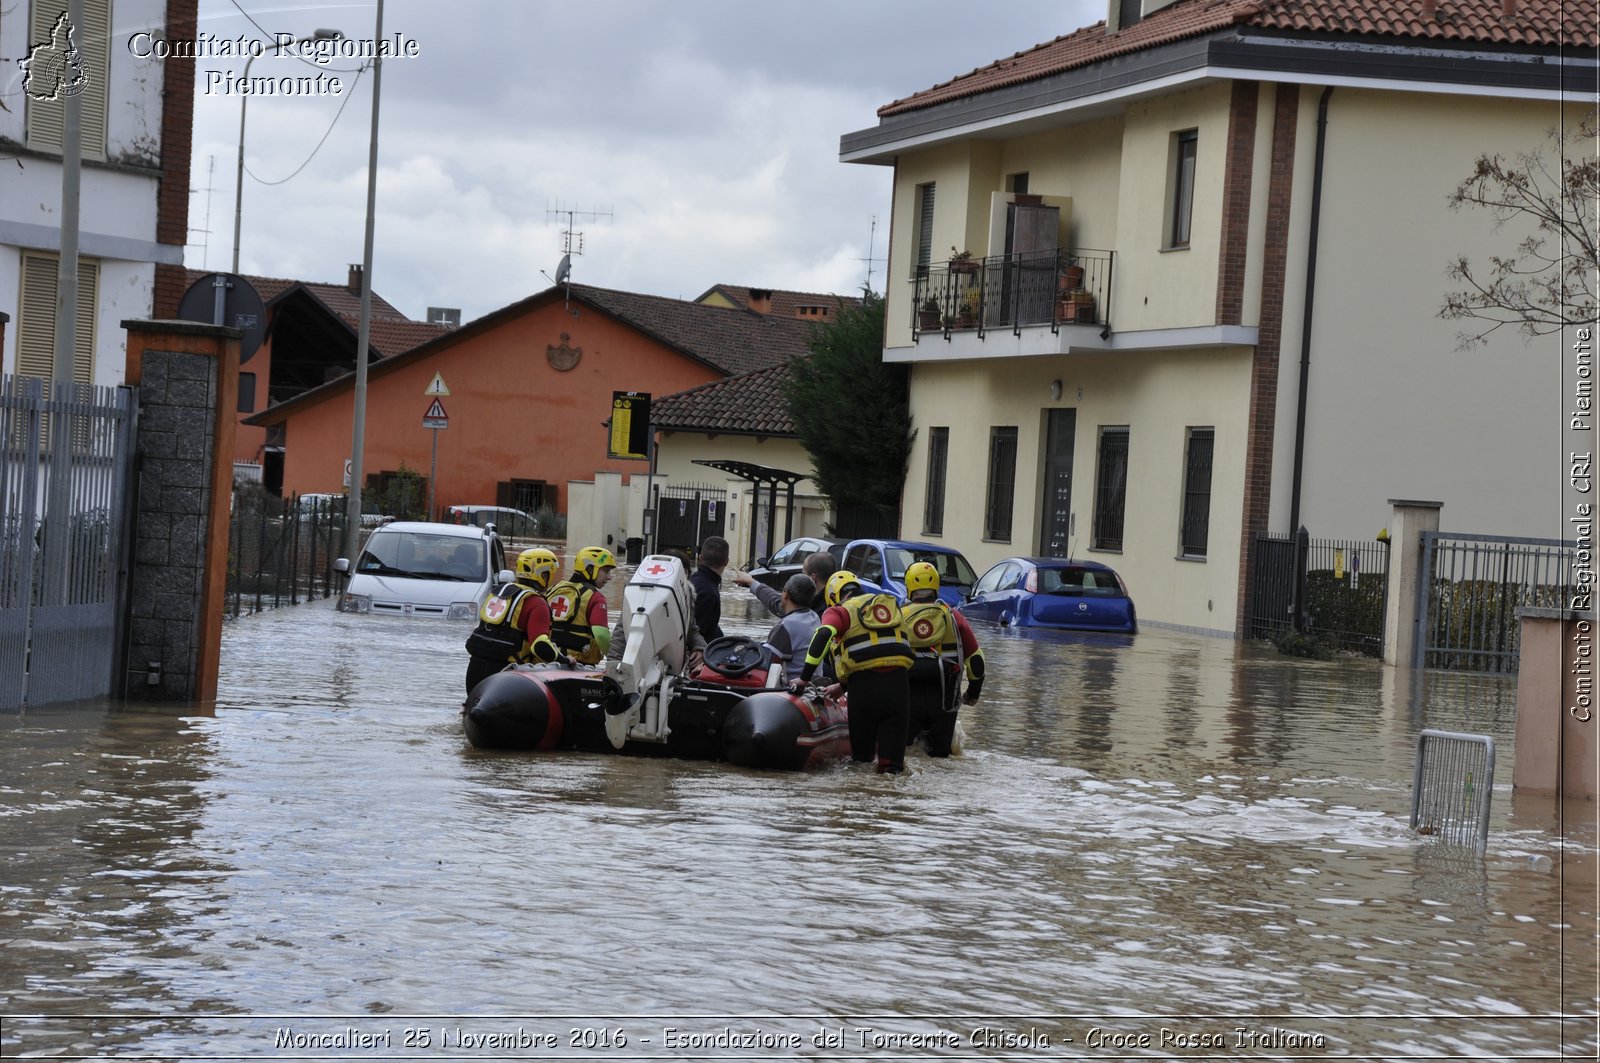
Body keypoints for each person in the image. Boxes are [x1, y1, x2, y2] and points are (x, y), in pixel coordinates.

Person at [789, 569, 914, 774]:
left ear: (833, 596)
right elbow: (882, 651)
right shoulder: (888, 606)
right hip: (899, 686)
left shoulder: (840, 610)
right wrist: (843, 686)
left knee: (861, 764)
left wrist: (804, 678)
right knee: (892, 768)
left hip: (864, 688)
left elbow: (823, 635)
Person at [901, 560, 985, 757]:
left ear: (909, 587)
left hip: (907, 701)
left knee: (904, 757)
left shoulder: (897, 616)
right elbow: (977, 661)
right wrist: (973, 693)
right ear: (936, 587)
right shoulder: (954, 617)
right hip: (945, 702)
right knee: (941, 760)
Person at [462, 547, 559, 695]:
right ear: (543, 573)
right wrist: (563, 659)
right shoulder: (537, 603)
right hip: (507, 673)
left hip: (475, 667)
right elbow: (540, 646)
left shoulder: (498, 592)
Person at [546, 546, 616, 665]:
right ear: (589, 569)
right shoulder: (596, 598)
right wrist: (616, 660)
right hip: (579, 665)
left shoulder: (552, 589)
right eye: (606, 571)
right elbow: (601, 636)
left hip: (548, 660)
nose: (609, 577)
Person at [764, 574, 823, 682]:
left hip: (793, 687)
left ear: (786, 594)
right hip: (814, 684)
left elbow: (767, 661)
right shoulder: (815, 617)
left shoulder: (786, 625)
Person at [690, 536, 730, 642]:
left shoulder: (690, 581)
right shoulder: (709, 593)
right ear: (726, 562)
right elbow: (697, 633)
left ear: (700, 558)